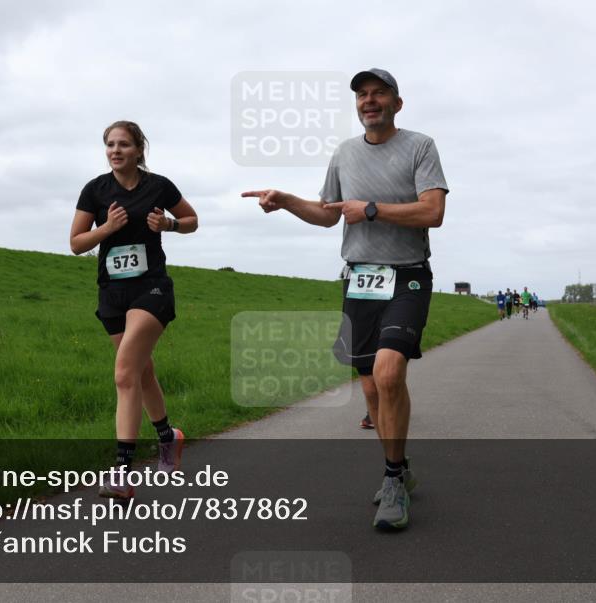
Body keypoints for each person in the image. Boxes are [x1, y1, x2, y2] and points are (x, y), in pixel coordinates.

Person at [243, 68, 448, 530]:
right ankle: (399, 465)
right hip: (359, 282)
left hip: (407, 277)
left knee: (389, 370)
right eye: (362, 95)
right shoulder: (344, 154)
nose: (369, 101)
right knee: (373, 388)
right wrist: (287, 199)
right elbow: (327, 214)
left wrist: (372, 209)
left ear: (397, 103)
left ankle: (392, 479)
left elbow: (433, 211)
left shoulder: (420, 146)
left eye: (378, 94)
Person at [69, 120, 198, 499]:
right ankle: (168, 437)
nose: (115, 150)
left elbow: (192, 220)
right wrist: (106, 228)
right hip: (112, 292)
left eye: (124, 144)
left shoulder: (158, 186)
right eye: (110, 144)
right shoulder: (95, 190)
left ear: (139, 149)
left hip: (151, 289)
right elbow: (76, 243)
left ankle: (122, 472)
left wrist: (170, 224)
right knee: (142, 373)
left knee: (125, 372)